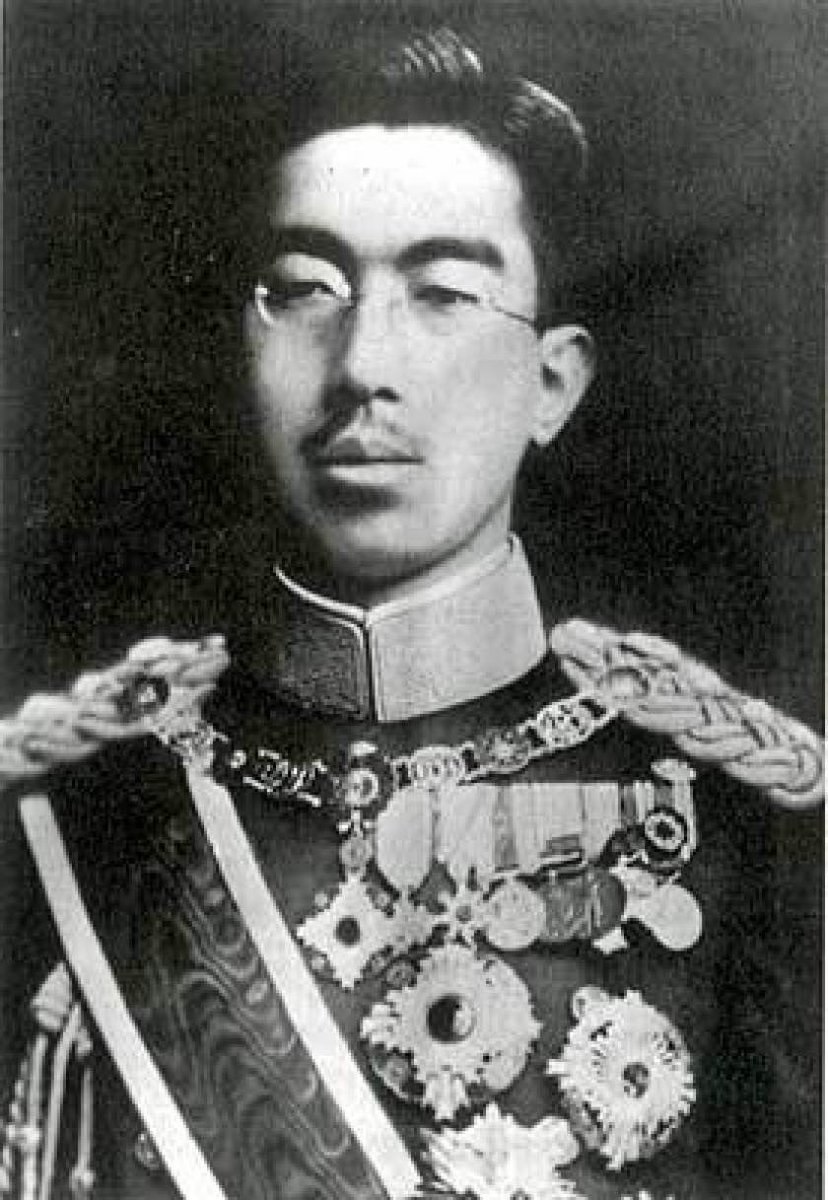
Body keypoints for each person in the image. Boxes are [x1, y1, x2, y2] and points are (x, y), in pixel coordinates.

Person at [0, 26, 822, 1200]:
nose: (361, 367)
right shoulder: (65, 819)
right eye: (304, 291)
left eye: (442, 293)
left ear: (552, 383)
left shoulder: (761, 838)